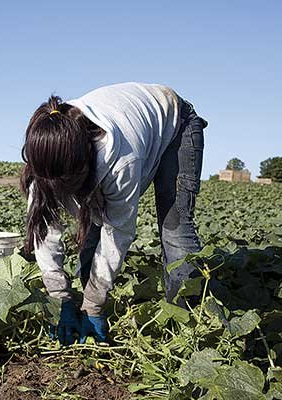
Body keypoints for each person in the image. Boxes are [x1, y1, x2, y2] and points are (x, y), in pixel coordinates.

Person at [20, 82, 208, 345]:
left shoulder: (120, 160)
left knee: (175, 231)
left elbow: (116, 232)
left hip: (176, 126)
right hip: (131, 126)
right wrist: (58, 298)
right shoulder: (44, 162)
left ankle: (188, 328)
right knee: (92, 228)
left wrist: (95, 304)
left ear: (84, 166)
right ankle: (79, 308)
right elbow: (45, 233)